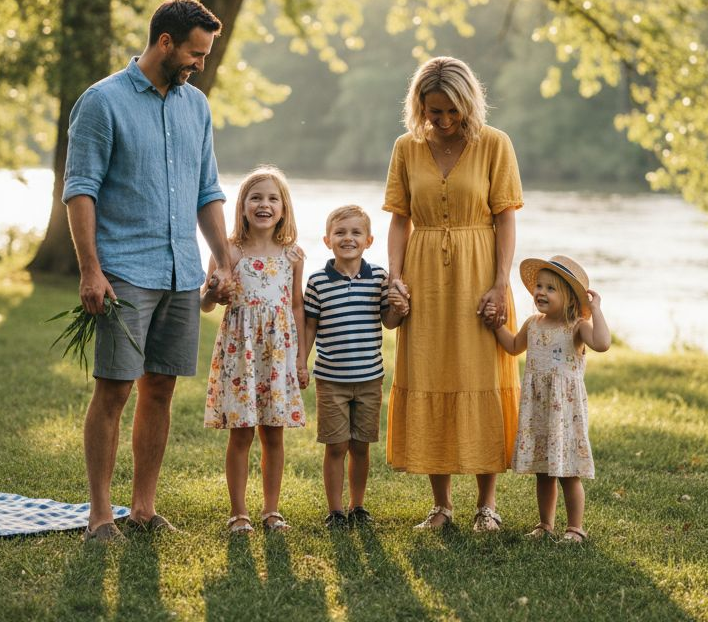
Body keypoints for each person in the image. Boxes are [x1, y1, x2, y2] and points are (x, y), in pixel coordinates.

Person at [62, 0, 232, 543]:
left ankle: (143, 509)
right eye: (194, 52)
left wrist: (222, 259)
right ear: (164, 42)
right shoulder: (101, 102)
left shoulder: (195, 107)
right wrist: (91, 270)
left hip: (182, 273)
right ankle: (99, 514)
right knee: (114, 391)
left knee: (160, 389)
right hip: (124, 273)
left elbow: (208, 192)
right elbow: (80, 190)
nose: (199, 64)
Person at [382, 56, 524, 532]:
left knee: (482, 374)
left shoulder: (495, 144)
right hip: (423, 276)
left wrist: (501, 283)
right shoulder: (406, 147)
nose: (442, 121)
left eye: (451, 112)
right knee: (430, 371)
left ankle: (487, 504)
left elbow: (505, 217)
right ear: (418, 106)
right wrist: (395, 278)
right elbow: (400, 219)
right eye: (432, 111)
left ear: (468, 104)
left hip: (481, 272)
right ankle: (441, 505)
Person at [202, 165, 309, 533]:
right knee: (242, 433)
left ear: (283, 208)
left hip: (277, 356)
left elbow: (296, 306)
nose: (264, 204)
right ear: (243, 205)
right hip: (241, 354)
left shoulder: (292, 255)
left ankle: (271, 510)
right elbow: (205, 303)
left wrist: (299, 357)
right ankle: (238, 513)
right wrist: (214, 292)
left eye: (272, 199)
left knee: (273, 432)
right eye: (256, 197)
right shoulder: (229, 251)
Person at [487, 255, 611, 543]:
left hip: (565, 413)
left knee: (568, 473)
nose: (541, 292)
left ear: (569, 298)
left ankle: (575, 528)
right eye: (539, 287)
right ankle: (545, 525)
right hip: (539, 410)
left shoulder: (577, 326)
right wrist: (495, 325)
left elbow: (603, 343)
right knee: (543, 471)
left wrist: (596, 311)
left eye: (550, 288)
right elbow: (513, 347)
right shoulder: (533, 324)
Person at [301, 205, 410, 528]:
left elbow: (389, 321)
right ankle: (335, 510)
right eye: (340, 233)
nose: (348, 238)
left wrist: (400, 310)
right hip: (331, 379)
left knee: (361, 446)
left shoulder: (378, 278)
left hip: (369, 379)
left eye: (355, 233)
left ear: (369, 240)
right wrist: (300, 364)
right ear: (327, 240)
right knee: (336, 445)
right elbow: (310, 327)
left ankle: (357, 505)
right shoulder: (318, 282)